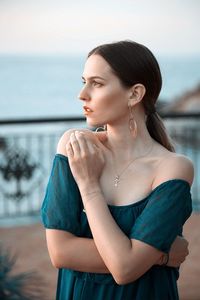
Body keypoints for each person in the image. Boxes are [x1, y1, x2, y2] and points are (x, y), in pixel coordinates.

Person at [41, 40, 194, 300]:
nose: (82, 94)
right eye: (83, 81)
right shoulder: (74, 147)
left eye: (97, 83)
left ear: (134, 94)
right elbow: (60, 252)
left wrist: (89, 186)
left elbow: (125, 270)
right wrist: (159, 256)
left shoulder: (173, 168)